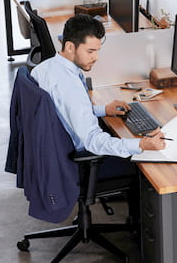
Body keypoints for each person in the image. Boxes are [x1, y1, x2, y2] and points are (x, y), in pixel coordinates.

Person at [32, 14, 165, 207]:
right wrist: (141, 145)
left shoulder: (46, 68)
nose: (96, 58)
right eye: (90, 51)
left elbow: (64, 109)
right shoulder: (70, 86)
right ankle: (137, 231)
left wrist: (103, 109)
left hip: (50, 152)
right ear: (70, 47)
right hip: (76, 161)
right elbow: (93, 142)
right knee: (147, 166)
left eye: (98, 51)